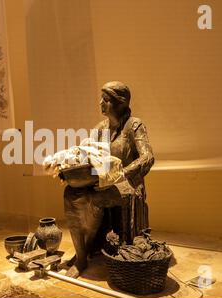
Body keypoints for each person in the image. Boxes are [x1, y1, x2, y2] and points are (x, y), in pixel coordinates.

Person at [64, 81, 155, 278]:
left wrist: (123, 173)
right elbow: (88, 156)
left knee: (94, 200)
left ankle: (84, 256)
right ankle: (81, 253)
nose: (100, 103)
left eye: (105, 100)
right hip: (102, 182)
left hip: (126, 185)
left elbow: (147, 157)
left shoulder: (134, 125)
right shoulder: (99, 129)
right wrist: (69, 166)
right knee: (71, 194)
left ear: (119, 103)